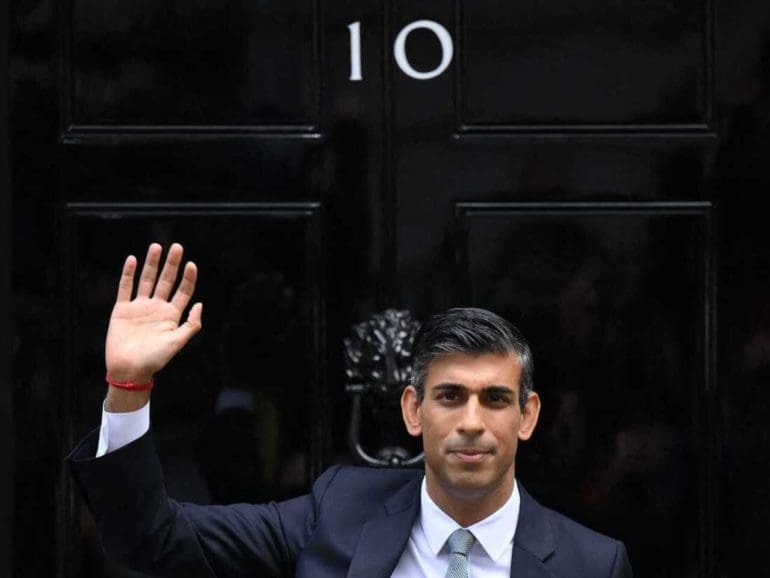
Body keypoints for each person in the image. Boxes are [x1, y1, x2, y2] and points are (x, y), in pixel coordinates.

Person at [68, 242, 633, 578]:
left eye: (496, 399)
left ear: (527, 416)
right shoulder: (337, 514)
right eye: (449, 396)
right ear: (414, 411)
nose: (471, 421)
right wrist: (129, 385)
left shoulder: (591, 563)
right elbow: (151, 537)